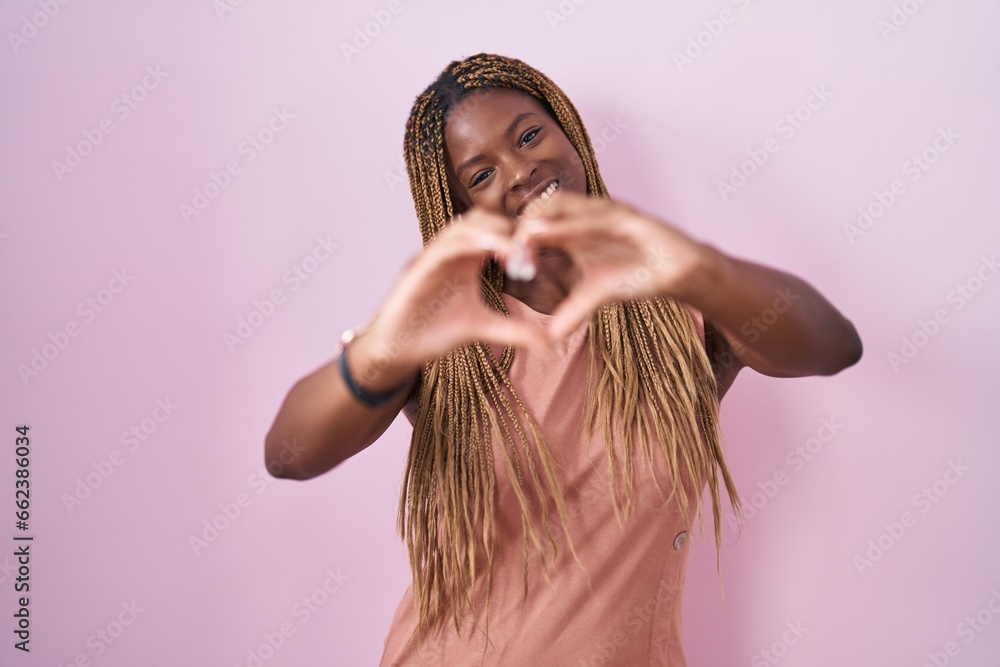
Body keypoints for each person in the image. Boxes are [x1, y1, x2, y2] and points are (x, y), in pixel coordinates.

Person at [264, 53, 862, 666]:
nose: (520, 171)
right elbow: (288, 456)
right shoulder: (453, 340)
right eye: (480, 175)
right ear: (461, 207)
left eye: (528, 135)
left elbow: (835, 347)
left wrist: (702, 269)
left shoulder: (682, 318)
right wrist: (383, 344)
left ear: (568, 131)